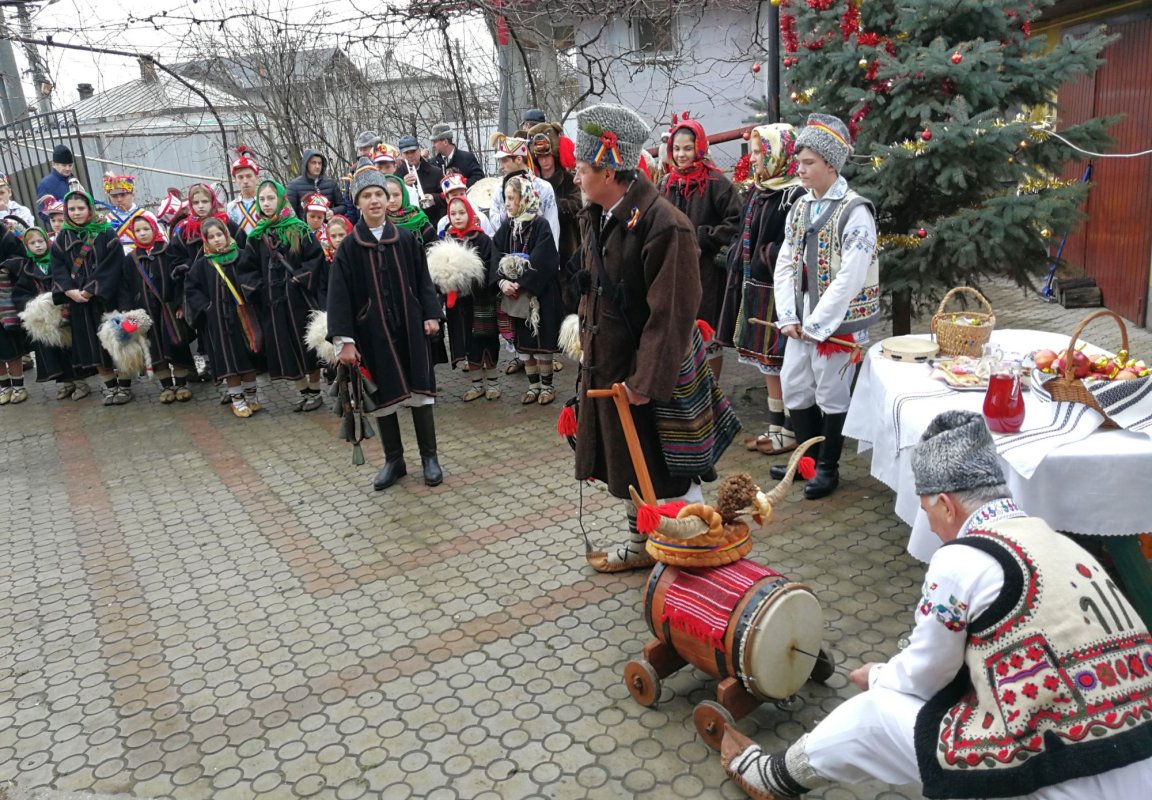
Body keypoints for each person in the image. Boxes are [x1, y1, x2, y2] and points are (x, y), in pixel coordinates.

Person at [722, 409, 1152, 800]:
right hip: (1138, 761)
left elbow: (925, 676)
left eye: (926, 509)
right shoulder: (1058, 541)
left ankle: (773, 778)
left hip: (1064, 776)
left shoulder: (961, 559)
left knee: (873, 714)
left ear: (945, 504)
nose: (928, 522)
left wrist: (878, 676)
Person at [571, 103, 709, 573]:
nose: (576, 177)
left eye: (583, 168)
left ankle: (691, 557)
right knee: (631, 464)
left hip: (651, 375)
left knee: (670, 470)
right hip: (615, 368)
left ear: (610, 169)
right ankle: (641, 543)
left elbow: (671, 314)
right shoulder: (601, 214)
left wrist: (645, 381)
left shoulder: (665, 224)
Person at [768, 113, 879, 501]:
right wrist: (787, 315)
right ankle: (808, 461)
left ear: (831, 164)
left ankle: (828, 467)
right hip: (800, 320)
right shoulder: (801, 206)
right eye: (799, 162)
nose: (798, 169)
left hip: (836, 324)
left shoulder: (855, 211)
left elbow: (851, 275)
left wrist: (818, 325)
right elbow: (785, 260)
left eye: (808, 162)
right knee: (795, 386)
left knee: (831, 392)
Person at [328, 162, 444, 490]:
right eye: (367, 195)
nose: (375, 200)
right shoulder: (349, 248)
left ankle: (429, 458)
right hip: (372, 334)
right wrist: (345, 340)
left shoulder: (406, 239)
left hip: (410, 328)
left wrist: (431, 314)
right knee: (383, 397)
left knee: (421, 393)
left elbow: (423, 281)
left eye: (380, 193)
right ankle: (394, 460)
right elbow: (339, 297)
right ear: (359, 202)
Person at [716, 124, 804, 458]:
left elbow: (790, 244)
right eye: (753, 152)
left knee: (782, 358)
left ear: (777, 153)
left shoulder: (792, 195)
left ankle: (793, 428)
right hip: (756, 286)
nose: (752, 159)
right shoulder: (761, 189)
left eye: (758, 152)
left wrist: (765, 255)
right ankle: (776, 424)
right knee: (766, 361)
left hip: (777, 290)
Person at [660, 112, 742, 381]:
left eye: (687, 148)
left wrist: (707, 236)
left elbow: (737, 219)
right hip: (675, 270)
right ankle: (688, 390)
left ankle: (712, 390)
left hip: (706, 271)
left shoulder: (716, 182)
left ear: (700, 148)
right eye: (677, 149)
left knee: (707, 333)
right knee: (681, 331)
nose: (682, 154)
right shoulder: (667, 183)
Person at [241, 180, 327, 412]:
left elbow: (316, 257)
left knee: (306, 344)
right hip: (273, 303)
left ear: (281, 199)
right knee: (285, 347)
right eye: (262, 199)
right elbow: (246, 269)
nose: (266, 203)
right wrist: (258, 287)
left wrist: (301, 276)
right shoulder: (256, 235)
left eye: (271, 198)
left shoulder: (299, 229)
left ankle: (316, 390)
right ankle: (303, 392)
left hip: (298, 301)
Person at [492, 175, 562, 406]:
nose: (508, 203)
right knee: (525, 345)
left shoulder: (540, 224)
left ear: (525, 198)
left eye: (512, 198)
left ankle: (547, 386)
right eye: (506, 199)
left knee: (541, 342)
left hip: (539, 295)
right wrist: (503, 282)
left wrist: (522, 282)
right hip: (518, 298)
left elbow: (546, 258)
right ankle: (533, 387)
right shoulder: (508, 225)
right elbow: (495, 254)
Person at [49, 191, 124, 404]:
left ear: (89, 208)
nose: (76, 213)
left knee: (115, 342)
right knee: (93, 345)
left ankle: (125, 385)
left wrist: (92, 289)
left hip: (104, 298)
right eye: (71, 209)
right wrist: (68, 289)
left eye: (81, 208)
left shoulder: (106, 232)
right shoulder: (63, 237)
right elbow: (58, 266)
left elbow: (113, 263)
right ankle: (109, 386)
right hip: (78, 302)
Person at [184, 218, 261, 418]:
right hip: (218, 321)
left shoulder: (242, 256)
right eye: (211, 237)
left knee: (249, 357)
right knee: (229, 360)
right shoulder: (202, 264)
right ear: (205, 240)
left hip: (244, 319)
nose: (216, 240)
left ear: (227, 235)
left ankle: (252, 396)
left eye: (219, 235)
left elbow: (254, 277)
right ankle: (237, 400)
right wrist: (206, 307)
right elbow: (191, 288)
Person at [121, 214, 195, 404]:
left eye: (146, 229)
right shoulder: (131, 259)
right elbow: (126, 287)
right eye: (138, 230)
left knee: (177, 346)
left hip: (169, 310)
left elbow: (178, 280)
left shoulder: (167, 251)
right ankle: (166, 386)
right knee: (155, 351)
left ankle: (181, 384)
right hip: (145, 314)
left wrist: (179, 304)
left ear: (154, 229)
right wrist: (129, 313)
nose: (142, 233)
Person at [437, 195, 500, 400]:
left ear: (470, 213)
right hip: (460, 305)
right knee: (468, 342)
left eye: (461, 212)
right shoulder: (448, 241)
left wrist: (482, 283)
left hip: (482, 300)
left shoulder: (482, 239)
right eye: (453, 214)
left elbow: (492, 265)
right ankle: (476, 385)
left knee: (487, 339)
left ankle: (493, 383)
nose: (457, 217)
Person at [10, 228, 77, 399]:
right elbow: (20, 293)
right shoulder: (28, 268)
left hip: (64, 313)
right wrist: (34, 305)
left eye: (40, 241)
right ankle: (66, 383)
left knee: (70, 348)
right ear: (27, 246)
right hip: (45, 318)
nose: (38, 246)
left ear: (47, 241)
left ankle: (80, 381)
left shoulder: (57, 262)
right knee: (53, 350)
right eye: (32, 243)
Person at [525, 121, 581, 281]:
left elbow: (578, 204)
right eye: (540, 157)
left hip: (567, 244)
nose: (544, 161)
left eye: (547, 156)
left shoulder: (569, 180)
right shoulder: (532, 183)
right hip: (539, 245)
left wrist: (553, 204)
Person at [486, 134, 560, 249]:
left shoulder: (543, 187)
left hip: (537, 251)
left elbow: (552, 225)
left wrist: (552, 259)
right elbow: (493, 220)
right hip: (508, 251)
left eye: (505, 160)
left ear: (519, 159)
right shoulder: (500, 189)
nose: (501, 166)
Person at [0, 231, 30, 405]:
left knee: (10, 343)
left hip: (5, 300)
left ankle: (18, 385)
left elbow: (20, 257)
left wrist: (5, 268)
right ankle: (4, 386)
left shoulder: (5, 234)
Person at [396, 136, 446, 224]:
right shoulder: (396, 176)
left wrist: (434, 198)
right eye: (407, 153)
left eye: (413, 151)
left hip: (432, 222)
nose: (411, 155)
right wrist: (403, 186)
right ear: (401, 155)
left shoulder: (436, 172)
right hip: (407, 224)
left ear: (419, 151)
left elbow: (446, 197)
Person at [286, 149, 345, 219]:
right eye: (313, 163)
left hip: (328, 227)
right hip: (305, 228)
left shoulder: (331, 183)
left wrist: (333, 211)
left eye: (319, 163)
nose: (317, 166)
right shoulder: (294, 186)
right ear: (306, 164)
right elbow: (289, 213)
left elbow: (343, 206)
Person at [102, 174, 146, 250]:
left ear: (133, 194)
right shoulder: (106, 220)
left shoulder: (146, 216)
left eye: (123, 195)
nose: (119, 199)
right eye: (114, 196)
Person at [225, 146, 263, 235]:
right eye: (240, 177)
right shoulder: (231, 207)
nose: (245, 181)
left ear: (257, 178)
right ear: (235, 180)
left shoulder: (265, 202)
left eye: (249, 176)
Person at [35, 145, 75, 217]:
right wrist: (58, 221)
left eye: (70, 165)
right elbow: (43, 212)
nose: (68, 168)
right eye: (64, 165)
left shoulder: (73, 179)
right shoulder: (45, 184)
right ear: (53, 164)